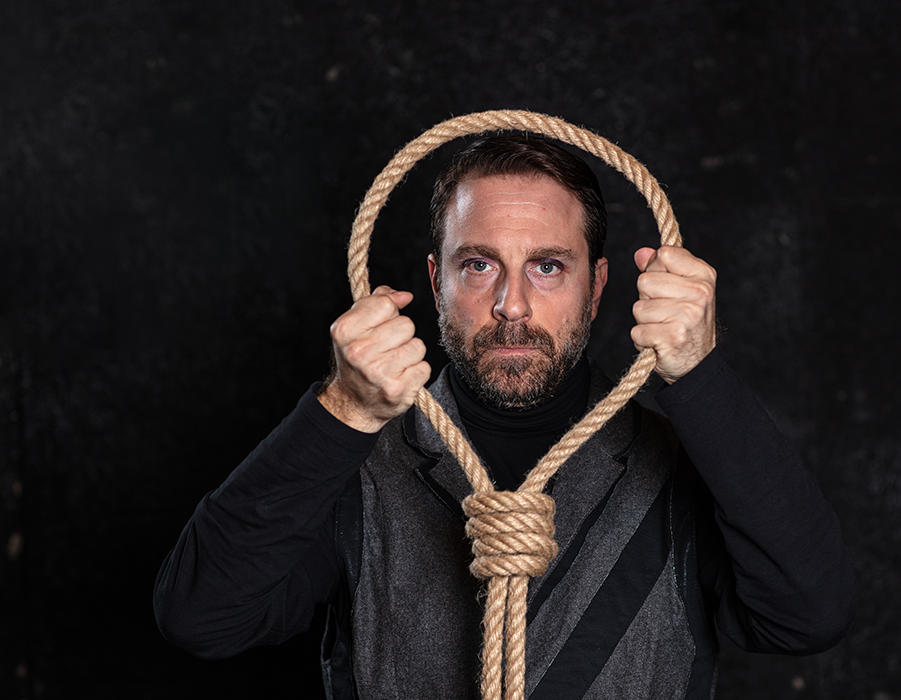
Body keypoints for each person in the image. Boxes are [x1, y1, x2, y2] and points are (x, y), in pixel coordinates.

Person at [154, 135, 855, 699]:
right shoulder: (359, 466)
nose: (512, 306)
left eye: (548, 266)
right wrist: (339, 413)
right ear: (436, 281)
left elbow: (808, 617)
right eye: (480, 266)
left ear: (598, 285)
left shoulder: (682, 467)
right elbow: (202, 617)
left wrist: (700, 378)